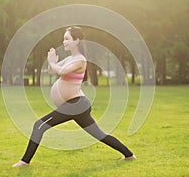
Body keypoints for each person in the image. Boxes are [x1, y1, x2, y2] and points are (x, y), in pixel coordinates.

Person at [12, 26, 136, 167]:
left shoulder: (80, 60)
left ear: (76, 41)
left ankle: (24, 162)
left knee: (39, 125)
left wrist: (54, 63)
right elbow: (53, 70)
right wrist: (51, 61)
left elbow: (63, 71)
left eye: (67, 39)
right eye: (63, 39)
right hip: (77, 105)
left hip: (76, 105)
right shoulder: (70, 58)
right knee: (99, 134)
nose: (64, 42)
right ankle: (129, 155)